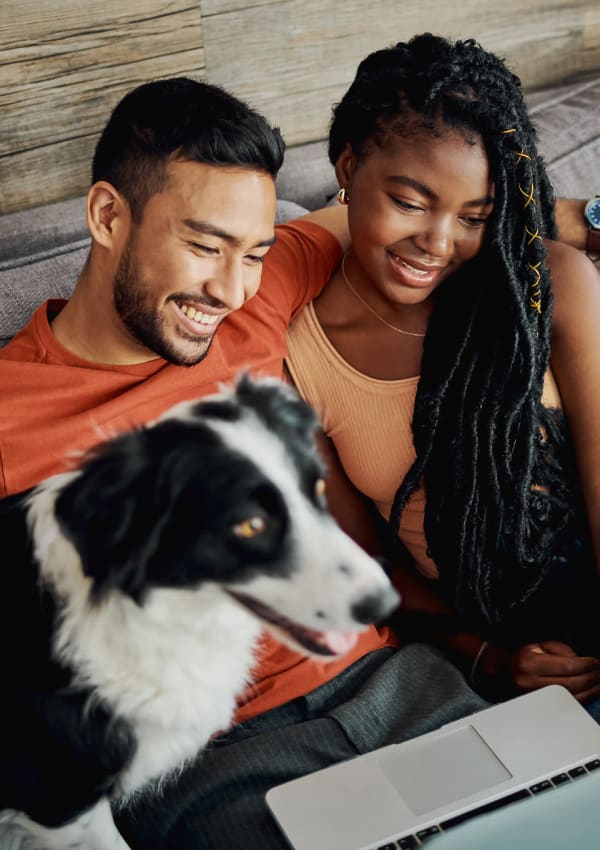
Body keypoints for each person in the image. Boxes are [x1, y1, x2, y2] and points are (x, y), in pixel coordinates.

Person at [0, 68, 595, 849]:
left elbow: (409, 213)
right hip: (217, 759)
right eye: (205, 246)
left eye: (254, 252)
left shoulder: (258, 295)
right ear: (109, 215)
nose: (231, 289)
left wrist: (562, 217)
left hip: (403, 690)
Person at [285, 33, 600, 714]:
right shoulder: (301, 356)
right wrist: (487, 657)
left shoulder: (548, 286)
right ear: (348, 166)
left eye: (474, 218)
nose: (437, 243)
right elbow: (367, 562)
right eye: (410, 201)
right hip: (501, 661)